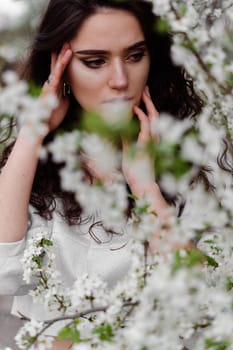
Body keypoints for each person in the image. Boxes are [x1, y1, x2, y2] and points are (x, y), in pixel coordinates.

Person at [0, 0, 203, 348]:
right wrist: (34, 132)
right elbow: (2, 271)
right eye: (95, 61)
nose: (120, 81)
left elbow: (200, 297)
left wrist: (145, 186)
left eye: (135, 55)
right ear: (59, 67)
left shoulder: (196, 157)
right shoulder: (34, 166)